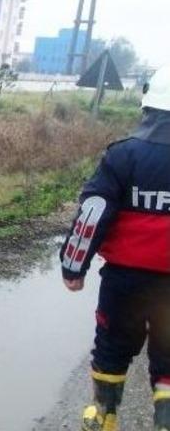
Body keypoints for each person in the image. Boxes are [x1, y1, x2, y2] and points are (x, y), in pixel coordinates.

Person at [61, 67, 170, 431]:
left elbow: (93, 214)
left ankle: (104, 418)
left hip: (125, 281)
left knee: (112, 346)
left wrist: (73, 266)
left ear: (147, 100)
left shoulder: (123, 156)